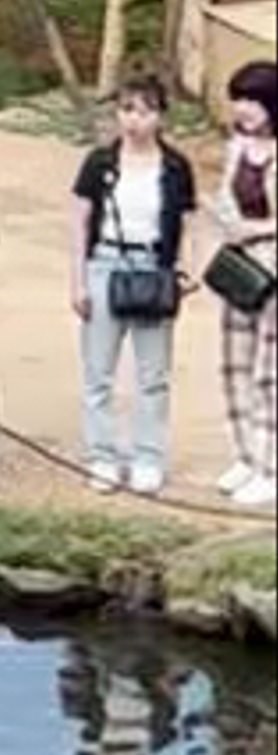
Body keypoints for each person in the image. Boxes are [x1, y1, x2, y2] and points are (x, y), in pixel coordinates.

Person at [70, 71, 195, 498]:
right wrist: (78, 280)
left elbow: (187, 220)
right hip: (105, 262)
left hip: (153, 265)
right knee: (98, 371)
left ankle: (148, 457)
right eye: (126, 110)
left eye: (144, 111)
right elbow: (80, 220)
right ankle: (103, 456)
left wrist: (185, 267)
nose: (134, 120)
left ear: (160, 115)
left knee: (152, 374)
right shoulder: (100, 163)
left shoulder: (176, 166)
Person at [214, 51, 278, 512]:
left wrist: (254, 230)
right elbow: (224, 197)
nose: (242, 110)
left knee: (268, 374)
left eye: (251, 101)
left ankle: (271, 466)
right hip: (240, 266)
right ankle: (245, 453)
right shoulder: (236, 147)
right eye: (238, 100)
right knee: (234, 364)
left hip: (272, 263)